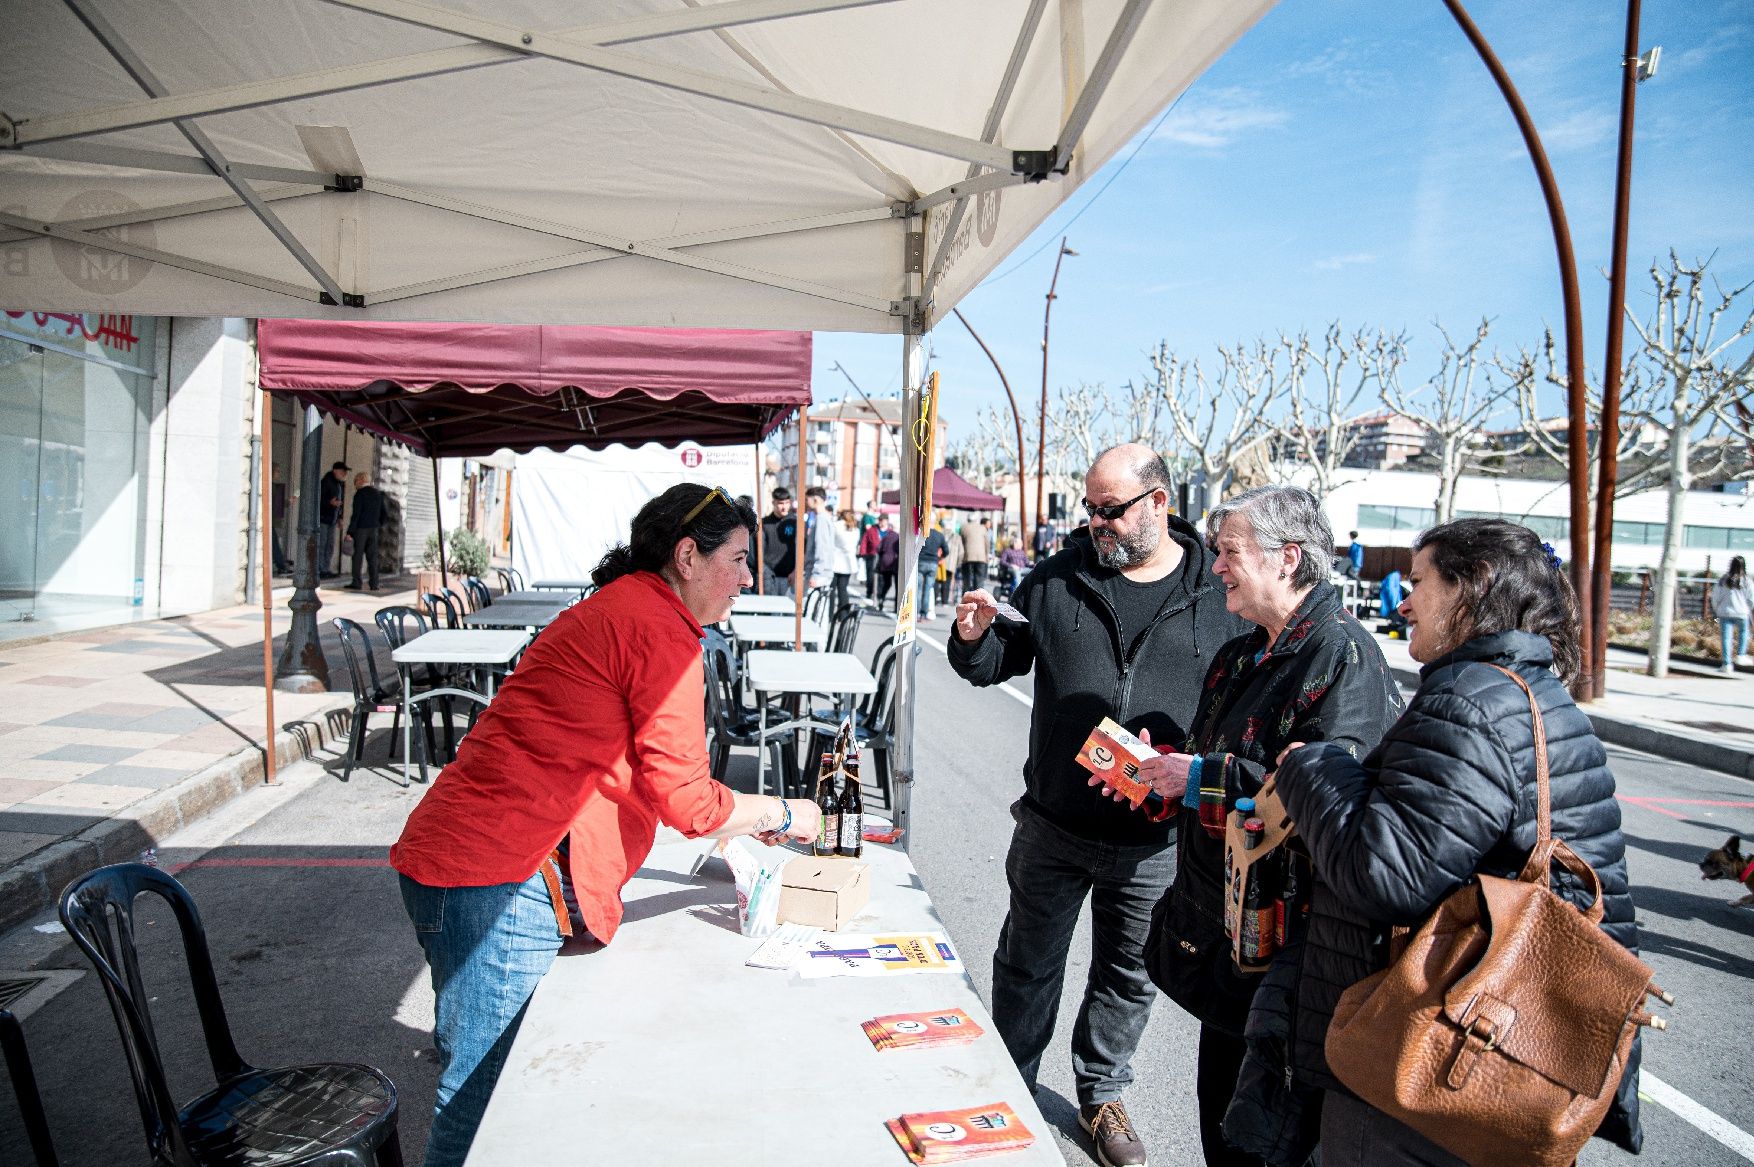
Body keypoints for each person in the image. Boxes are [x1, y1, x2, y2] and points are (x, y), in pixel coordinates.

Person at [390, 484, 820, 1167]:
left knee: (491, 1082)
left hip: (475, 860)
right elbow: (689, 800)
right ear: (687, 555)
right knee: (482, 1098)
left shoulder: (628, 606)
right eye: (738, 558)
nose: (748, 577)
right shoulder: (656, 627)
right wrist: (785, 811)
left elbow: (646, 773)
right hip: (496, 873)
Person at [1271, 518, 1642, 1165]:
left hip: (1430, 1062)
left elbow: (1384, 873)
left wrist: (1313, 766)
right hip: (1517, 1061)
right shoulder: (1533, 694)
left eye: (1418, 582)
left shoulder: (1468, 700)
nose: (1403, 601)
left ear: (1471, 589)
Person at [947, 444, 1241, 1167]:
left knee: (1127, 975)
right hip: (1054, 825)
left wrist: (1185, 755)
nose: (1096, 523)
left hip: (1154, 842)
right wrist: (971, 639)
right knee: (1027, 963)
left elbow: (1242, 707)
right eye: (1090, 508)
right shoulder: (1056, 578)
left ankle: (1102, 1091)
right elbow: (994, 665)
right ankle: (1009, 1082)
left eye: (1111, 510)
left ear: (1160, 503)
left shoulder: (1218, 594)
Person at [1105, 486, 1401, 1167]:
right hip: (1228, 945)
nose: (1216, 568)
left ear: (1288, 558)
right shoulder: (1243, 654)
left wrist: (1200, 775)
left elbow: (1328, 796)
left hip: (1294, 962)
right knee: (1223, 1128)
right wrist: (1156, 773)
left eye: (1229, 552)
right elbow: (1211, 763)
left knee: (1267, 1144)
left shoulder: (1343, 656)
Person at [344, 471, 387, 591]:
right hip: (374, 529)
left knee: (357, 556)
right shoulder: (378, 494)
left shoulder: (360, 494)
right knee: (372, 557)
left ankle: (357, 582)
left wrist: (350, 532)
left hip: (361, 529)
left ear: (359, 480)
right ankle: (374, 583)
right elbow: (384, 513)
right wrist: (378, 524)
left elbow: (356, 515)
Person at [1713, 554, 1752, 672]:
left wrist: (1717, 609)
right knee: (1744, 633)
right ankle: (1741, 655)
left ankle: (1727, 664)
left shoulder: (1723, 580)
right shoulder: (1747, 581)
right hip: (1742, 612)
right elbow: (1751, 599)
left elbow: (1715, 597)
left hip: (1725, 612)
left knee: (1726, 638)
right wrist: (1748, 609)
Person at [760, 487, 794, 596]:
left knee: (789, 611)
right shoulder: (764, 523)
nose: (784, 507)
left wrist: (796, 571)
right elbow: (760, 552)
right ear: (773, 503)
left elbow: (803, 550)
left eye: (787, 503)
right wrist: (765, 573)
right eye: (780, 503)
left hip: (791, 576)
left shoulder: (795, 522)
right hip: (770, 577)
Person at [318, 461, 348, 578]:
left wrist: (340, 517)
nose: (344, 474)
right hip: (324, 517)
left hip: (332, 519)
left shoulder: (338, 484)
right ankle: (321, 569)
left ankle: (325, 568)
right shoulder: (326, 482)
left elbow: (339, 502)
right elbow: (319, 499)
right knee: (323, 544)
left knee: (329, 545)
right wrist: (330, 503)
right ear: (335, 471)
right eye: (342, 471)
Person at [916, 518, 948, 621]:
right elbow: (946, 550)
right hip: (933, 563)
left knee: (919, 589)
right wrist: (939, 558)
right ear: (934, 523)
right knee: (928, 589)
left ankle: (916, 613)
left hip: (921, 561)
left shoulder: (921, 533)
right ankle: (924, 613)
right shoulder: (939, 535)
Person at [829, 508, 860, 613]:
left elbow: (830, 542)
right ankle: (843, 615)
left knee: (831, 590)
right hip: (848, 563)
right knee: (843, 590)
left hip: (835, 561)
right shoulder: (855, 529)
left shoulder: (836, 525)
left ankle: (829, 615)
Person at [960, 515, 991, 593]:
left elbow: (962, 542)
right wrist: (986, 555)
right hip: (981, 557)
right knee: (979, 579)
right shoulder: (983, 528)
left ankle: (966, 599)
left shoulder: (963, 527)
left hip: (968, 556)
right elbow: (987, 543)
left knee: (967, 579)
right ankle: (978, 598)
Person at [875, 514, 900, 611]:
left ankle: (881, 599)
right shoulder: (899, 538)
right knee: (898, 586)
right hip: (896, 563)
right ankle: (896, 607)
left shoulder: (886, 537)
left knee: (886, 584)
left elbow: (878, 548)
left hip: (885, 562)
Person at [938, 515, 962, 610]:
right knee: (947, 581)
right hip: (951, 563)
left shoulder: (940, 534)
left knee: (937, 580)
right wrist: (958, 563)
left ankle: (936, 598)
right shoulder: (957, 537)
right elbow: (961, 552)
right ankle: (944, 601)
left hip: (940, 561)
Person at [858, 507, 883, 595]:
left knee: (880, 576)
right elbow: (864, 541)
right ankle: (869, 591)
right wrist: (862, 552)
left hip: (882, 556)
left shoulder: (888, 531)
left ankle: (878, 592)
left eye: (883, 520)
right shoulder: (871, 530)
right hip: (871, 555)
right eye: (880, 520)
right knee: (870, 575)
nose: (881, 522)